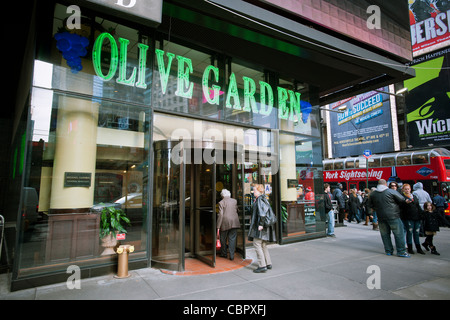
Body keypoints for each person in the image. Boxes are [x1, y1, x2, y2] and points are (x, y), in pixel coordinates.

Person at [367, 179, 410, 257]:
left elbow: (369, 205)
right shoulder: (391, 191)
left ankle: (388, 251)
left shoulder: (373, 194)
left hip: (381, 217)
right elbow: (402, 199)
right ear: (386, 184)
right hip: (393, 216)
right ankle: (401, 251)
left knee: (385, 235)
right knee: (398, 234)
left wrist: (373, 211)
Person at [248, 184, 276, 273]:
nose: (253, 192)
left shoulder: (260, 199)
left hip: (260, 227)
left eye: (254, 190)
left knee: (257, 244)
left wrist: (260, 224)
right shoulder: (263, 198)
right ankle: (268, 263)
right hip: (264, 226)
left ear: (260, 191)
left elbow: (262, 213)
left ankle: (262, 265)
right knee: (263, 244)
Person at [400, 184, 425, 254]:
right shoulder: (402, 197)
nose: (407, 190)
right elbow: (400, 207)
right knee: (410, 232)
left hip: (417, 217)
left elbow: (418, 206)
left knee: (416, 232)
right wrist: (405, 203)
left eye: (408, 189)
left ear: (410, 189)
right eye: (405, 189)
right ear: (403, 190)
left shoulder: (414, 196)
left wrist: (421, 214)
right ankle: (410, 248)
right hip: (408, 217)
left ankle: (418, 248)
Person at [217, 189, 241, 260]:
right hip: (234, 222)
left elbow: (220, 215)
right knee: (232, 239)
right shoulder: (234, 201)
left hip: (225, 222)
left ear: (222, 195)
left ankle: (224, 253)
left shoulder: (221, 202)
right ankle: (231, 255)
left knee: (223, 238)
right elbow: (237, 210)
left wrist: (218, 226)